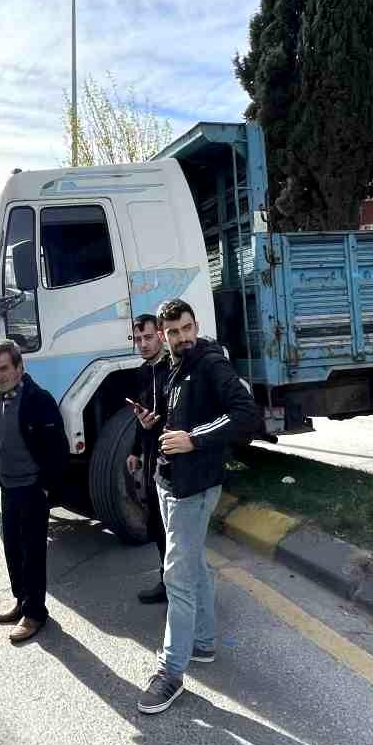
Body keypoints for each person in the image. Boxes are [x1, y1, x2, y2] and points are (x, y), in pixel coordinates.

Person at [137, 298, 260, 715]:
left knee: (178, 575)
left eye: (186, 328)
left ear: (196, 325)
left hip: (195, 486)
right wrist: (160, 425)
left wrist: (194, 437)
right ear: (164, 334)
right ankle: (204, 642)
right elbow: (183, 414)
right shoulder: (174, 366)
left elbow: (245, 414)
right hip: (169, 481)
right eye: (173, 332)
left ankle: (171, 672)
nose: (182, 338)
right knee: (192, 566)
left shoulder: (209, 363)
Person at [0, 339, 69, 645]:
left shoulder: (38, 400)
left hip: (32, 489)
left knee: (33, 554)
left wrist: (47, 488)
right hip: (8, 485)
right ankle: (21, 601)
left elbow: (59, 449)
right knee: (13, 551)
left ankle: (35, 614)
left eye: (4, 369)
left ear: (20, 367)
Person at [124, 313, 170, 604]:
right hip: (152, 454)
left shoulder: (173, 369)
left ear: (161, 335)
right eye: (138, 339)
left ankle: (181, 586)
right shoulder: (142, 372)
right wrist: (134, 450)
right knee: (155, 520)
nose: (143, 344)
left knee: (172, 525)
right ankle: (166, 581)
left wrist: (159, 422)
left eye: (148, 337)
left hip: (174, 455)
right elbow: (141, 416)